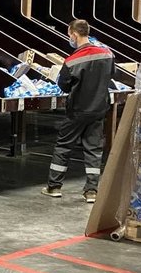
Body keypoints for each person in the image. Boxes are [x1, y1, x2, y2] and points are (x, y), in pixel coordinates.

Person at [42, 19, 115, 204]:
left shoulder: (72, 60)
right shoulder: (107, 54)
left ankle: (54, 187)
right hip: (99, 109)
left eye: (69, 35)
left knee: (64, 146)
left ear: (74, 34)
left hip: (78, 110)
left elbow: (64, 85)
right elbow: (111, 75)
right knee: (94, 150)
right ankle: (91, 191)